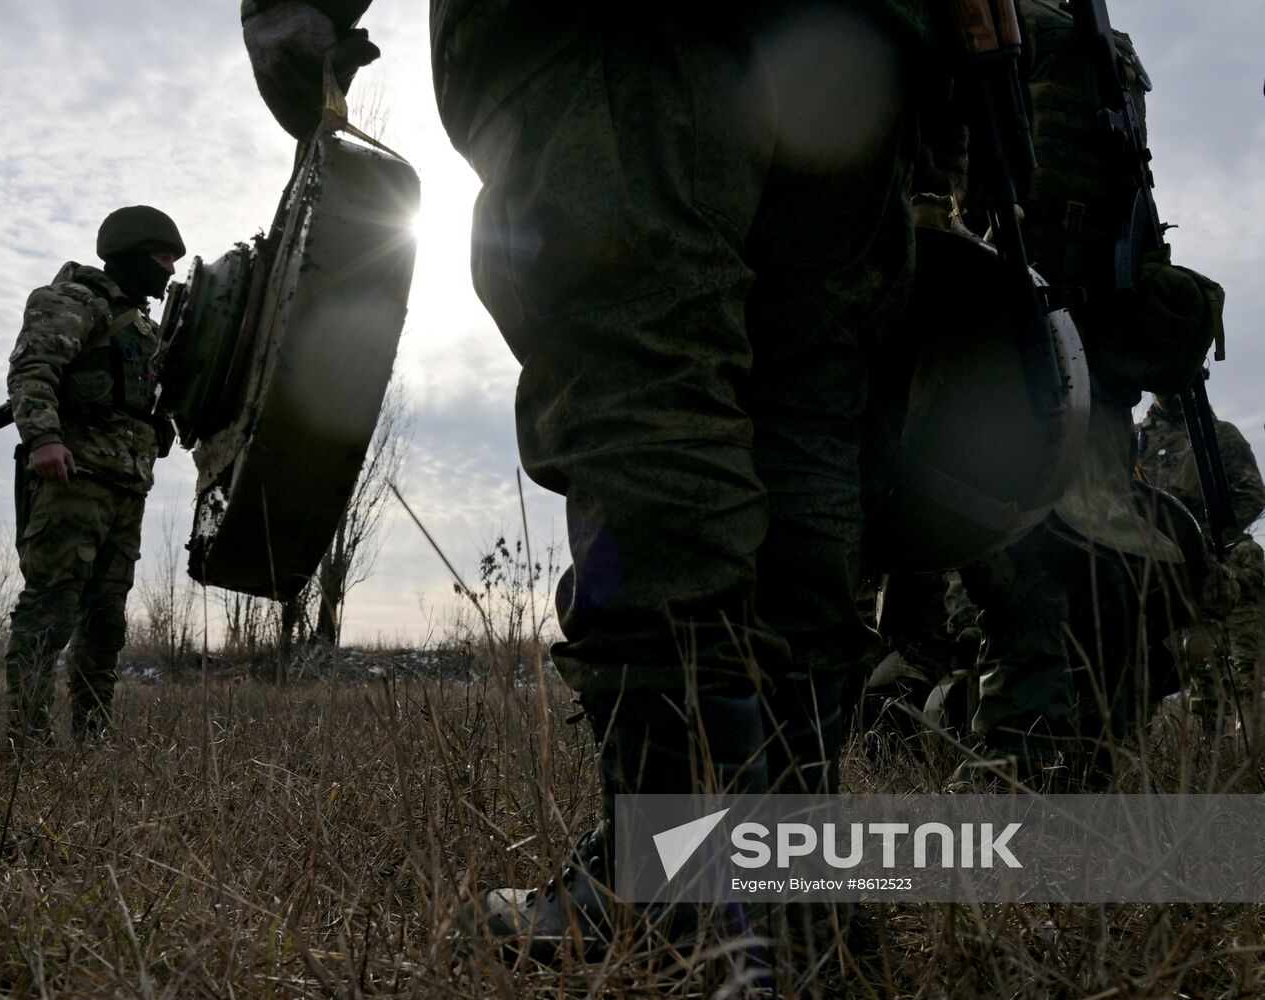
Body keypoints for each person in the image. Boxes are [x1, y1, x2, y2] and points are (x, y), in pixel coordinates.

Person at [244, 0, 938, 964]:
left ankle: (687, 889)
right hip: (860, 54)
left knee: (645, 372)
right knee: (807, 423)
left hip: (615, 40)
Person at [912, 0, 1222, 786]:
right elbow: (936, 162)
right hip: (1001, 330)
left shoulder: (1097, 45)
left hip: (1091, 353)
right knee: (1025, 576)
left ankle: (1074, 773)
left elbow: (1126, 197)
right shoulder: (985, 15)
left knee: (1114, 580)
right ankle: (1014, 782)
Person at [4, 206, 185, 745]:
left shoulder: (146, 328)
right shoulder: (70, 300)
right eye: (161, 258)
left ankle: (92, 737)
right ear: (129, 252)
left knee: (106, 623)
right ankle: (27, 741)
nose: (169, 271)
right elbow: (32, 369)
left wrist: (159, 424)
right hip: (71, 476)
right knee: (51, 608)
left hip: (128, 485)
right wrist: (44, 438)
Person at [1140, 394, 1265, 723]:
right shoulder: (1136, 439)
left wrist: (1206, 541)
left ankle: (1218, 757)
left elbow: (1251, 495)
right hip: (1150, 570)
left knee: (1207, 660)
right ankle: (1136, 758)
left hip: (1202, 569)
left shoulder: (1220, 435)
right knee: (1148, 666)